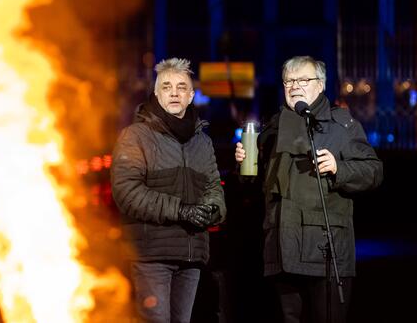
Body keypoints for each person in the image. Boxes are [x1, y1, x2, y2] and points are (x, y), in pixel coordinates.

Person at [234, 55, 383, 323]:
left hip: (326, 253)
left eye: (304, 79)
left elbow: (374, 171)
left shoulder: (341, 126)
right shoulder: (271, 129)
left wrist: (339, 168)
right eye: (289, 80)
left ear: (321, 85)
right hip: (281, 250)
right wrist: (244, 166)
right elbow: (257, 186)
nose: (295, 85)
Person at [112, 57, 227, 323]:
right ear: (156, 93)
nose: (174, 92)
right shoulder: (136, 136)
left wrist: (212, 210)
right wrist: (181, 211)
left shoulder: (202, 142)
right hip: (152, 254)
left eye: (181, 87)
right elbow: (127, 192)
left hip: (192, 254)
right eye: (166, 86)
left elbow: (214, 188)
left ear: (191, 95)